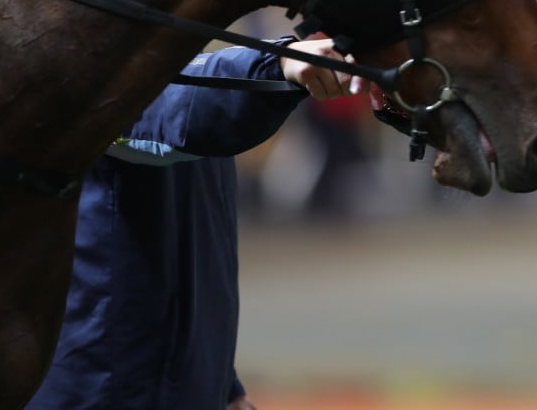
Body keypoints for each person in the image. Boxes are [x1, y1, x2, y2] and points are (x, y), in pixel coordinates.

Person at [27, 36, 361, 410]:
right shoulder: (92, 83)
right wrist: (277, 63)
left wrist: (225, 385)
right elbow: (178, 106)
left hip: (175, 382)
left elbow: (193, 259)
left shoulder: (157, 69)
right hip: (99, 389)